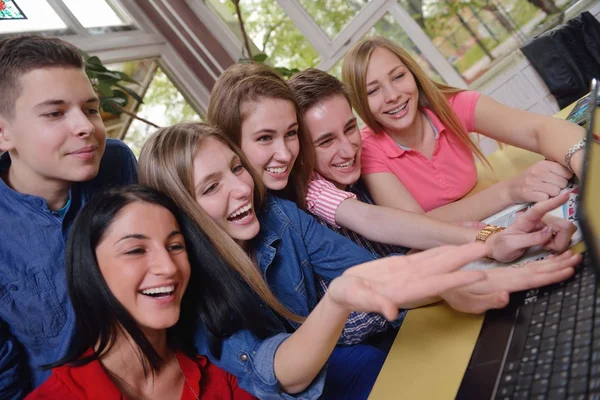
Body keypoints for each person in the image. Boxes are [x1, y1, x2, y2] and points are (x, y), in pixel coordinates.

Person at [138, 121, 581, 399]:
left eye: (236, 169)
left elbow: (380, 275)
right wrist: (339, 302)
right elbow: (281, 376)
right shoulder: (190, 289)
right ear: (183, 213)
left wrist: (487, 251)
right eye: (211, 188)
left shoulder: (280, 216)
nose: (240, 189)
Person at [287, 68, 578, 257]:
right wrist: (491, 237)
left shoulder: (360, 166)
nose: (348, 149)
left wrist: (499, 234)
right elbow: (414, 237)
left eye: (350, 128)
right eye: (326, 141)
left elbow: (430, 233)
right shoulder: (313, 207)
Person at [0, 35, 138, 397]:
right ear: (3, 132)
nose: (86, 127)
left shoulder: (118, 164)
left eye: (91, 109)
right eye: (55, 113)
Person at [27, 185, 256, 399]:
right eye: (136, 250)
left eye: (175, 246)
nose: (169, 267)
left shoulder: (225, 377)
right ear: (89, 268)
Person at [342, 36, 587, 222]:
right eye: (373, 90)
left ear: (413, 74)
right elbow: (417, 227)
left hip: (494, 223)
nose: (393, 95)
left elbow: (539, 129)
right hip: (452, 249)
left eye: (398, 77)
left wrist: (585, 164)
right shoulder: (370, 151)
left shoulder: (452, 106)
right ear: (360, 103)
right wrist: (510, 191)